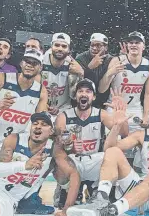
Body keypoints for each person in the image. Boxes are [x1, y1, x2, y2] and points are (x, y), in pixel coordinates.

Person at [0, 49, 48, 177]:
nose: (29, 65)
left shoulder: (41, 91)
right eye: (27, 61)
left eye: (34, 63)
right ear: (21, 63)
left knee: (12, 185)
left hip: (15, 144)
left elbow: (41, 124)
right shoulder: (0, 79)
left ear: (40, 67)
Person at [53, 79, 126, 207]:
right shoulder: (63, 116)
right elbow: (58, 146)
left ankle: (100, 191)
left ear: (94, 97)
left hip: (94, 161)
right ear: (75, 96)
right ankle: (65, 189)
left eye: (88, 91)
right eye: (80, 91)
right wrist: (71, 147)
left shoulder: (101, 114)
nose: (84, 94)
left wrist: (120, 117)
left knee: (113, 154)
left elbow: (125, 133)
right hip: (73, 161)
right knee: (58, 160)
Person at [100, 31, 149, 130]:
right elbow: (101, 89)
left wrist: (146, 116)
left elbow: (148, 94)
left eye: (137, 42)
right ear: (127, 45)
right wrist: (109, 73)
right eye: (131, 42)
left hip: (135, 109)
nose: (133, 45)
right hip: (114, 108)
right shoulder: (117, 61)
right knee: (113, 144)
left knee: (136, 143)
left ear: (143, 46)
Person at [41, 33, 84, 117]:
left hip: (64, 109)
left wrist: (81, 74)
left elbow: (74, 95)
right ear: (51, 47)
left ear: (69, 50)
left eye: (64, 46)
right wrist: (44, 105)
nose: (60, 49)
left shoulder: (72, 66)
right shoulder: (40, 63)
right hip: (40, 107)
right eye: (56, 45)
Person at [75, 33, 114, 108]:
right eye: (92, 45)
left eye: (98, 45)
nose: (94, 48)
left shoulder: (110, 60)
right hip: (82, 100)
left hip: (103, 102)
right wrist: (90, 67)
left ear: (106, 47)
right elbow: (77, 84)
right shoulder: (80, 58)